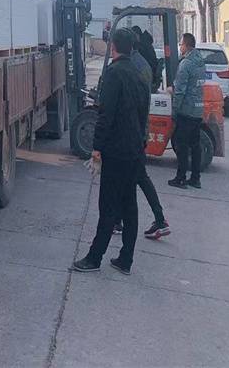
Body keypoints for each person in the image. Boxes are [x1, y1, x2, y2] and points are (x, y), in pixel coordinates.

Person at [73, 28, 149, 275]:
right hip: (134, 150)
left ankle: (94, 258)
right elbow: (143, 116)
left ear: (113, 47)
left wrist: (97, 147)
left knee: (108, 206)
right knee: (129, 206)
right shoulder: (139, 74)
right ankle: (126, 259)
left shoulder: (114, 73)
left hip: (116, 151)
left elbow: (105, 115)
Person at [113, 31, 170, 240]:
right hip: (139, 130)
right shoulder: (143, 64)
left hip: (130, 133)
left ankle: (156, 220)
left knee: (130, 178)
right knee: (135, 177)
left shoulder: (131, 67)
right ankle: (156, 220)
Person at [169, 32, 206, 189]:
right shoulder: (200, 62)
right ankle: (195, 178)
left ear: (186, 45)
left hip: (186, 111)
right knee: (195, 145)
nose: (180, 47)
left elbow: (180, 91)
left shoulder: (185, 64)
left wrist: (174, 110)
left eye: (181, 44)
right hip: (198, 110)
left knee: (181, 145)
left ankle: (181, 178)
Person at [132, 25, 159, 90]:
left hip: (146, 76)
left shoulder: (142, 47)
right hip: (149, 73)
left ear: (136, 35)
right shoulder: (146, 43)